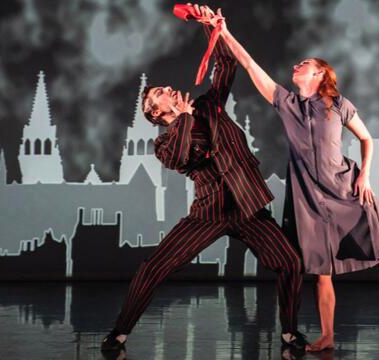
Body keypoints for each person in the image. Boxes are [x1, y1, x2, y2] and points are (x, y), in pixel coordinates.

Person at [197, 5, 379, 353]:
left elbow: (367, 138)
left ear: (320, 73)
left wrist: (365, 176)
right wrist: (224, 30)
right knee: (322, 271)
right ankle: (327, 336)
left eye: (304, 64)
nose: (296, 66)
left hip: (347, 190)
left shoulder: (338, 104)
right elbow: (249, 64)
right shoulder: (285, 102)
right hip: (309, 197)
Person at [101, 13, 307, 353]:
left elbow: (225, 65)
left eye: (164, 88)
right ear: (156, 114)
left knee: (290, 263)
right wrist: (184, 119)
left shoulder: (209, 105)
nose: (168, 88)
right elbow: (185, 157)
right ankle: (119, 333)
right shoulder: (163, 144)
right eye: (160, 93)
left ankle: (288, 333)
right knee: (153, 268)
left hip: (247, 206)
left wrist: (212, 27)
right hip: (208, 213)